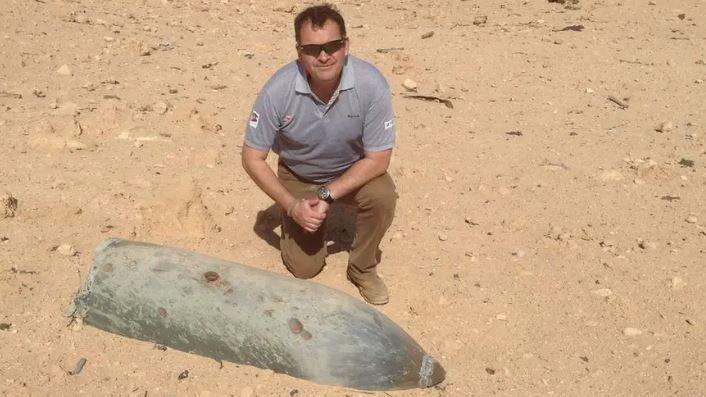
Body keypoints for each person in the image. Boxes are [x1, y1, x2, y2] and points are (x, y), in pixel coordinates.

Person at [241, 4, 397, 305]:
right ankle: (301, 219)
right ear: (299, 51)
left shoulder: (370, 84)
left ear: (346, 45)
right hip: (298, 174)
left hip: (349, 171)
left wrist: (327, 195)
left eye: (332, 46)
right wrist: (291, 205)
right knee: (305, 269)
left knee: (383, 195)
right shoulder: (278, 90)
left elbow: (378, 159)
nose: (324, 56)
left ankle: (362, 267)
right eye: (313, 49)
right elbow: (252, 157)